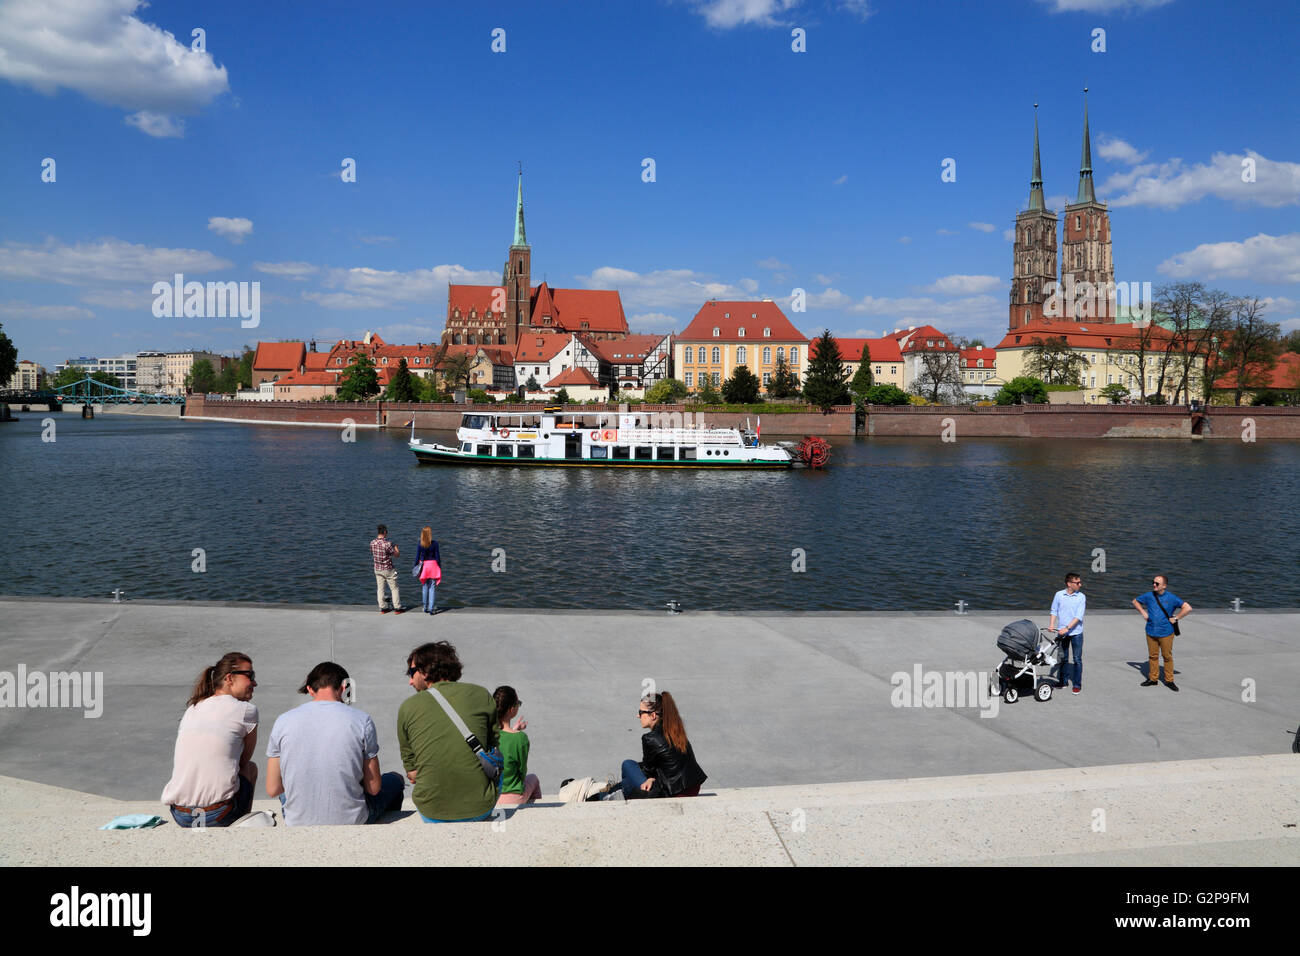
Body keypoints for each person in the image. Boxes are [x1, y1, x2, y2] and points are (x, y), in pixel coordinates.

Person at [264, 661, 404, 826]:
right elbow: (373, 788)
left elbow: (273, 789)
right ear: (345, 688)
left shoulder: (283, 720)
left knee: (287, 791)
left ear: (309, 689)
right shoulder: (361, 720)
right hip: (352, 820)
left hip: (296, 820)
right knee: (396, 779)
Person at [397, 641, 499, 822]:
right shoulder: (482, 694)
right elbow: (494, 746)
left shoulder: (407, 707)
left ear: (426, 671)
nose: (410, 681)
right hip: (480, 807)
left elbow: (412, 772)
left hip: (431, 811)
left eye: (412, 673)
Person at [161, 652, 259, 827]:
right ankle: (241, 827)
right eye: (250, 676)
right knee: (250, 768)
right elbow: (243, 761)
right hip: (218, 814)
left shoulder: (193, 708)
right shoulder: (246, 710)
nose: (254, 683)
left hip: (181, 814)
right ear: (229, 678)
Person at [616, 691, 707, 800]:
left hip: (674, 792)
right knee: (632, 772)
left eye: (641, 712)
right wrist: (651, 777)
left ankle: (611, 793)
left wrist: (650, 778)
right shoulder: (675, 731)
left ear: (653, 715)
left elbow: (647, 770)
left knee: (628, 765)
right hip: (692, 788)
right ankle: (613, 791)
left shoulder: (650, 738)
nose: (637, 715)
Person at [1132, 574, 1192, 691]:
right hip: (1150, 632)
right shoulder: (1149, 596)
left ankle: (1169, 680)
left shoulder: (1172, 598)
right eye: (1153, 582)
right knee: (1153, 656)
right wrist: (1143, 613)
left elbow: (1187, 608)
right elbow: (1135, 601)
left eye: (1157, 583)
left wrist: (1176, 618)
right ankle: (1153, 679)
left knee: (1167, 657)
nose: (1154, 585)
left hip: (1166, 633)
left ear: (1164, 586)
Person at [492, 685, 541, 806]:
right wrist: (516, 732)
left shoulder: (488, 733)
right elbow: (522, 771)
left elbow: (503, 740)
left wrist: (513, 729)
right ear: (511, 709)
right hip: (513, 796)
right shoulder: (520, 738)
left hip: (491, 796)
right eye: (518, 703)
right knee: (533, 779)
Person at [1049, 572, 1086, 694]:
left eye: (1080, 582)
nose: (1080, 584)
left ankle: (1076, 685)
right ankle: (1063, 682)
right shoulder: (1059, 595)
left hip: (1076, 633)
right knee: (1063, 658)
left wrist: (1067, 628)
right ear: (1069, 584)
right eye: (1077, 582)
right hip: (1062, 633)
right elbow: (1054, 610)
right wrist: (1052, 624)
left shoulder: (1081, 597)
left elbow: (1078, 616)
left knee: (1077, 660)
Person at [370, 523, 403, 614]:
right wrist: (396, 547)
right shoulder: (387, 544)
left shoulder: (372, 542)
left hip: (377, 569)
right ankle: (397, 608)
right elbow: (397, 555)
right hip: (388, 569)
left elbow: (372, 553)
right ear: (385, 532)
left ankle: (383, 608)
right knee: (394, 588)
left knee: (380, 589)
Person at [414, 526, 442, 615]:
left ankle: (425, 607)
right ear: (430, 534)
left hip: (424, 567)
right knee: (432, 587)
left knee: (425, 586)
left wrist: (415, 567)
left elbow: (417, 557)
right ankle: (431, 608)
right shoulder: (435, 543)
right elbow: (437, 557)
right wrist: (439, 567)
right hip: (433, 566)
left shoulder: (420, 544)